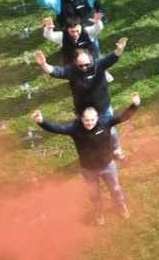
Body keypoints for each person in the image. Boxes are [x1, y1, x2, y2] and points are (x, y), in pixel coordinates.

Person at [31, 92, 139, 225]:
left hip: (107, 165)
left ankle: (120, 205)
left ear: (97, 117)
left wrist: (134, 105)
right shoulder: (74, 128)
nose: (90, 123)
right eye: (87, 120)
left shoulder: (105, 123)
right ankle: (98, 211)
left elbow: (123, 117)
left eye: (93, 119)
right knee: (94, 193)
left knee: (115, 188)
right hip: (88, 169)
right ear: (81, 118)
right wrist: (41, 122)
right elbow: (57, 128)